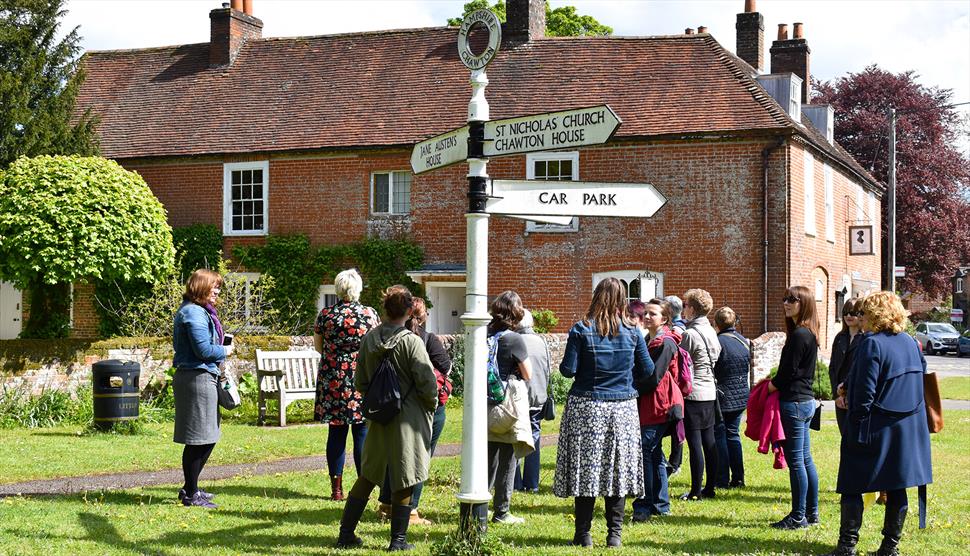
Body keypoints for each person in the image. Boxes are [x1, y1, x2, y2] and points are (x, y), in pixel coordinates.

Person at [824, 291, 932, 556]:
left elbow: (865, 392)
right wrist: (847, 385)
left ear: (873, 315)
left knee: (852, 484)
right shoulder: (910, 342)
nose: (859, 318)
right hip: (907, 428)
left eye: (863, 313)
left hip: (874, 426)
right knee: (897, 485)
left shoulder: (871, 344)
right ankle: (889, 547)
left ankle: (846, 546)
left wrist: (855, 426)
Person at [335, 285, 437, 551]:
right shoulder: (411, 341)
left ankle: (346, 534)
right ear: (408, 311)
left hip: (378, 415)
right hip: (409, 417)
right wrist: (429, 405)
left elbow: (360, 381)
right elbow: (427, 383)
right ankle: (398, 541)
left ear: (385, 309)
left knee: (368, 474)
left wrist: (376, 399)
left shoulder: (370, 339)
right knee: (406, 474)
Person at [554, 278, 653, 548]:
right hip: (622, 408)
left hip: (587, 406)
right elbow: (647, 371)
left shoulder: (581, 329)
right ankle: (614, 535)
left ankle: (583, 535)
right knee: (617, 471)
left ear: (596, 296)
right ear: (622, 301)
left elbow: (568, 370)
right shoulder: (633, 332)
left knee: (587, 471)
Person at [377, 297, 451, 525]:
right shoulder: (424, 340)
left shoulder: (382, 337)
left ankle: (386, 505)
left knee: (392, 457)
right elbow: (443, 368)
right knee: (420, 458)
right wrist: (432, 403)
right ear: (420, 315)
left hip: (389, 404)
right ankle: (410, 511)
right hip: (421, 407)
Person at [314, 269, 380, 501]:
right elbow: (376, 346)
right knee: (362, 431)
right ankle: (363, 488)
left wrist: (336, 358)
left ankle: (337, 490)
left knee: (336, 431)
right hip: (361, 377)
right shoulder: (369, 314)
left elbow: (318, 346)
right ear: (358, 288)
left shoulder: (326, 315)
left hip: (333, 379)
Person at [172, 269, 232, 509]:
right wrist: (225, 350)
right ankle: (190, 493)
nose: (217, 292)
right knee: (199, 439)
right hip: (196, 378)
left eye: (218, 287)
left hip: (201, 377)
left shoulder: (198, 311)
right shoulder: (193, 313)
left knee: (207, 436)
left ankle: (191, 488)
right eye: (213, 287)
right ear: (200, 287)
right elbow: (204, 350)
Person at [767, 285, 820, 529]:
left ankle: (799, 516)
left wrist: (771, 386)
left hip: (796, 403)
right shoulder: (807, 332)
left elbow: (788, 371)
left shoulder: (800, 335)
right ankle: (811, 513)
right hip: (805, 402)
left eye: (792, 299)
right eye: (785, 298)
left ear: (804, 303)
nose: (786, 303)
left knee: (797, 461)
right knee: (805, 459)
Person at [631, 298, 682, 522]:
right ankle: (660, 504)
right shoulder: (648, 340)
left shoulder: (665, 343)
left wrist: (630, 388)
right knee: (654, 454)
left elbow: (654, 377)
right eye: (646, 313)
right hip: (650, 404)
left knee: (647, 453)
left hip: (660, 404)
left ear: (665, 319)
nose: (648, 317)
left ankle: (646, 503)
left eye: (653, 314)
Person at [486, 291, 533, 524]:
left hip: (482, 401)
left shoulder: (483, 334)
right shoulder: (514, 339)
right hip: (505, 403)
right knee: (507, 457)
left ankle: (480, 505)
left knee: (486, 457)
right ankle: (502, 511)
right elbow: (528, 373)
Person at [679, 288, 721, 501]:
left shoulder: (689, 334)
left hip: (694, 392)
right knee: (709, 439)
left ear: (693, 309)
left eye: (685, 305)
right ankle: (710, 487)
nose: (683, 309)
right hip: (710, 391)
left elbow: (682, 364)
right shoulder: (712, 331)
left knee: (695, 442)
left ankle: (696, 490)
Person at [513, 309, 552, 494]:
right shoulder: (541, 341)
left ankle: (515, 482)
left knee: (514, 437)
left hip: (518, 397)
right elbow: (548, 369)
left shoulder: (513, 340)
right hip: (538, 395)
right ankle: (532, 483)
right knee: (534, 439)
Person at [712, 306, 750, 489]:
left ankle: (721, 479)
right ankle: (738, 477)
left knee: (720, 434)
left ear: (716, 323)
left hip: (724, 393)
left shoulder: (718, 342)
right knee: (733, 435)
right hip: (742, 393)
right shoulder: (743, 340)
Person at [829, 298, 864, 435]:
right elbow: (832, 368)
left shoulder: (865, 339)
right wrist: (836, 395)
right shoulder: (839, 338)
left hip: (855, 397)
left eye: (853, 312)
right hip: (839, 397)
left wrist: (848, 394)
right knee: (844, 437)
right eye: (846, 312)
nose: (849, 316)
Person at [664, 295, 687, 476]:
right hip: (675, 385)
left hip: (677, 385)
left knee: (677, 426)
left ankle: (675, 462)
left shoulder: (679, 330)